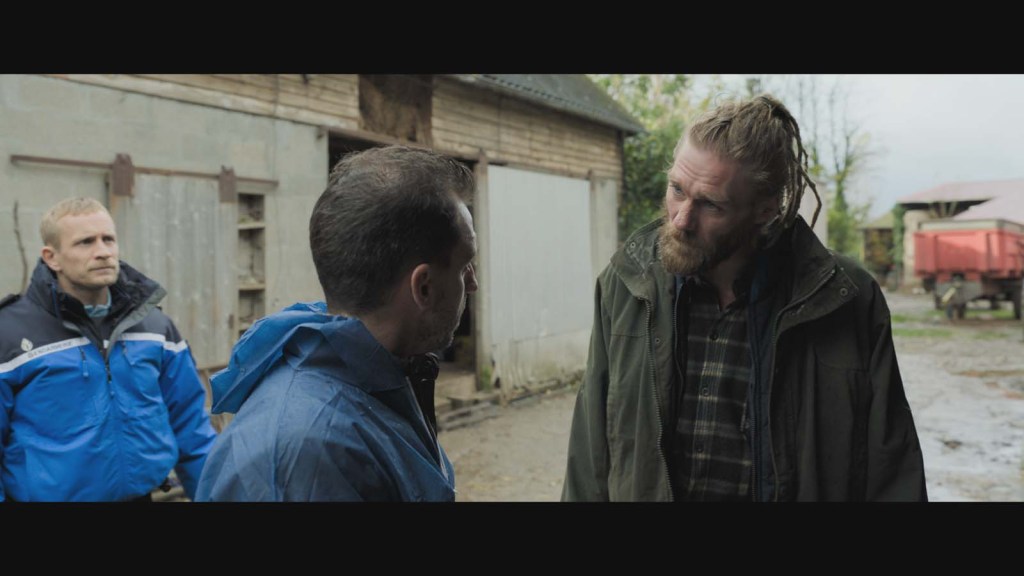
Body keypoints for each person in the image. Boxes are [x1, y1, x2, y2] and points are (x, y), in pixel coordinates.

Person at [562, 94, 927, 501]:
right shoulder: (627, 282)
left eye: (710, 205)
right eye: (677, 189)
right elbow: (590, 454)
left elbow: (893, 469)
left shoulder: (844, 298)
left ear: (765, 209)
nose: (681, 219)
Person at [196, 145, 478, 501]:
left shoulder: (382, 378)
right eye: (464, 266)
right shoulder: (305, 458)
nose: (473, 283)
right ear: (423, 287)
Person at [0, 197, 217, 501]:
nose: (103, 251)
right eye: (85, 242)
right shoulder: (9, 333)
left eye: (108, 239)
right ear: (52, 258)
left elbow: (191, 428)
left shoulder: (155, 328)